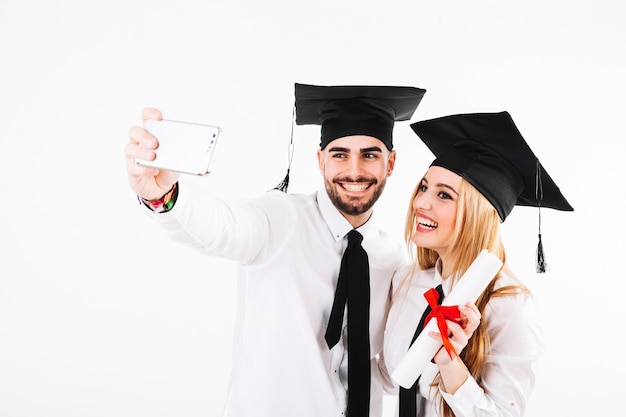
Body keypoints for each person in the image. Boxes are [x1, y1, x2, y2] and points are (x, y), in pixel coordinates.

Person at [124, 83, 426, 417]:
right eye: (339, 154)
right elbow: (223, 226)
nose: (354, 170)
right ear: (320, 161)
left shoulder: (394, 259)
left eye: (370, 155)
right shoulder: (280, 219)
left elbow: (386, 372)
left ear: (391, 162)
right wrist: (165, 196)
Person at [383, 111, 573, 417]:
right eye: (424, 187)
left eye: (444, 195)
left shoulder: (508, 306)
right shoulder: (408, 280)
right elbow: (389, 379)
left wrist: (450, 364)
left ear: (478, 215)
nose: (421, 203)